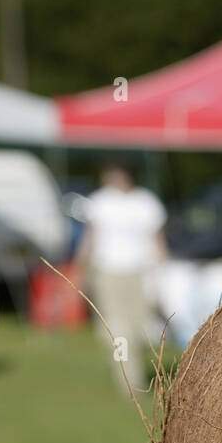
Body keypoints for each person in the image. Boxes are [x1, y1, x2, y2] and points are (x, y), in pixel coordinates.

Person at [75, 163, 167, 393]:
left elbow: (157, 239)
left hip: (139, 272)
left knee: (141, 329)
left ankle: (130, 366)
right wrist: (80, 267)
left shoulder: (146, 202)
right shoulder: (100, 202)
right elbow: (90, 238)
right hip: (108, 272)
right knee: (118, 329)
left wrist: (164, 268)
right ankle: (129, 383)